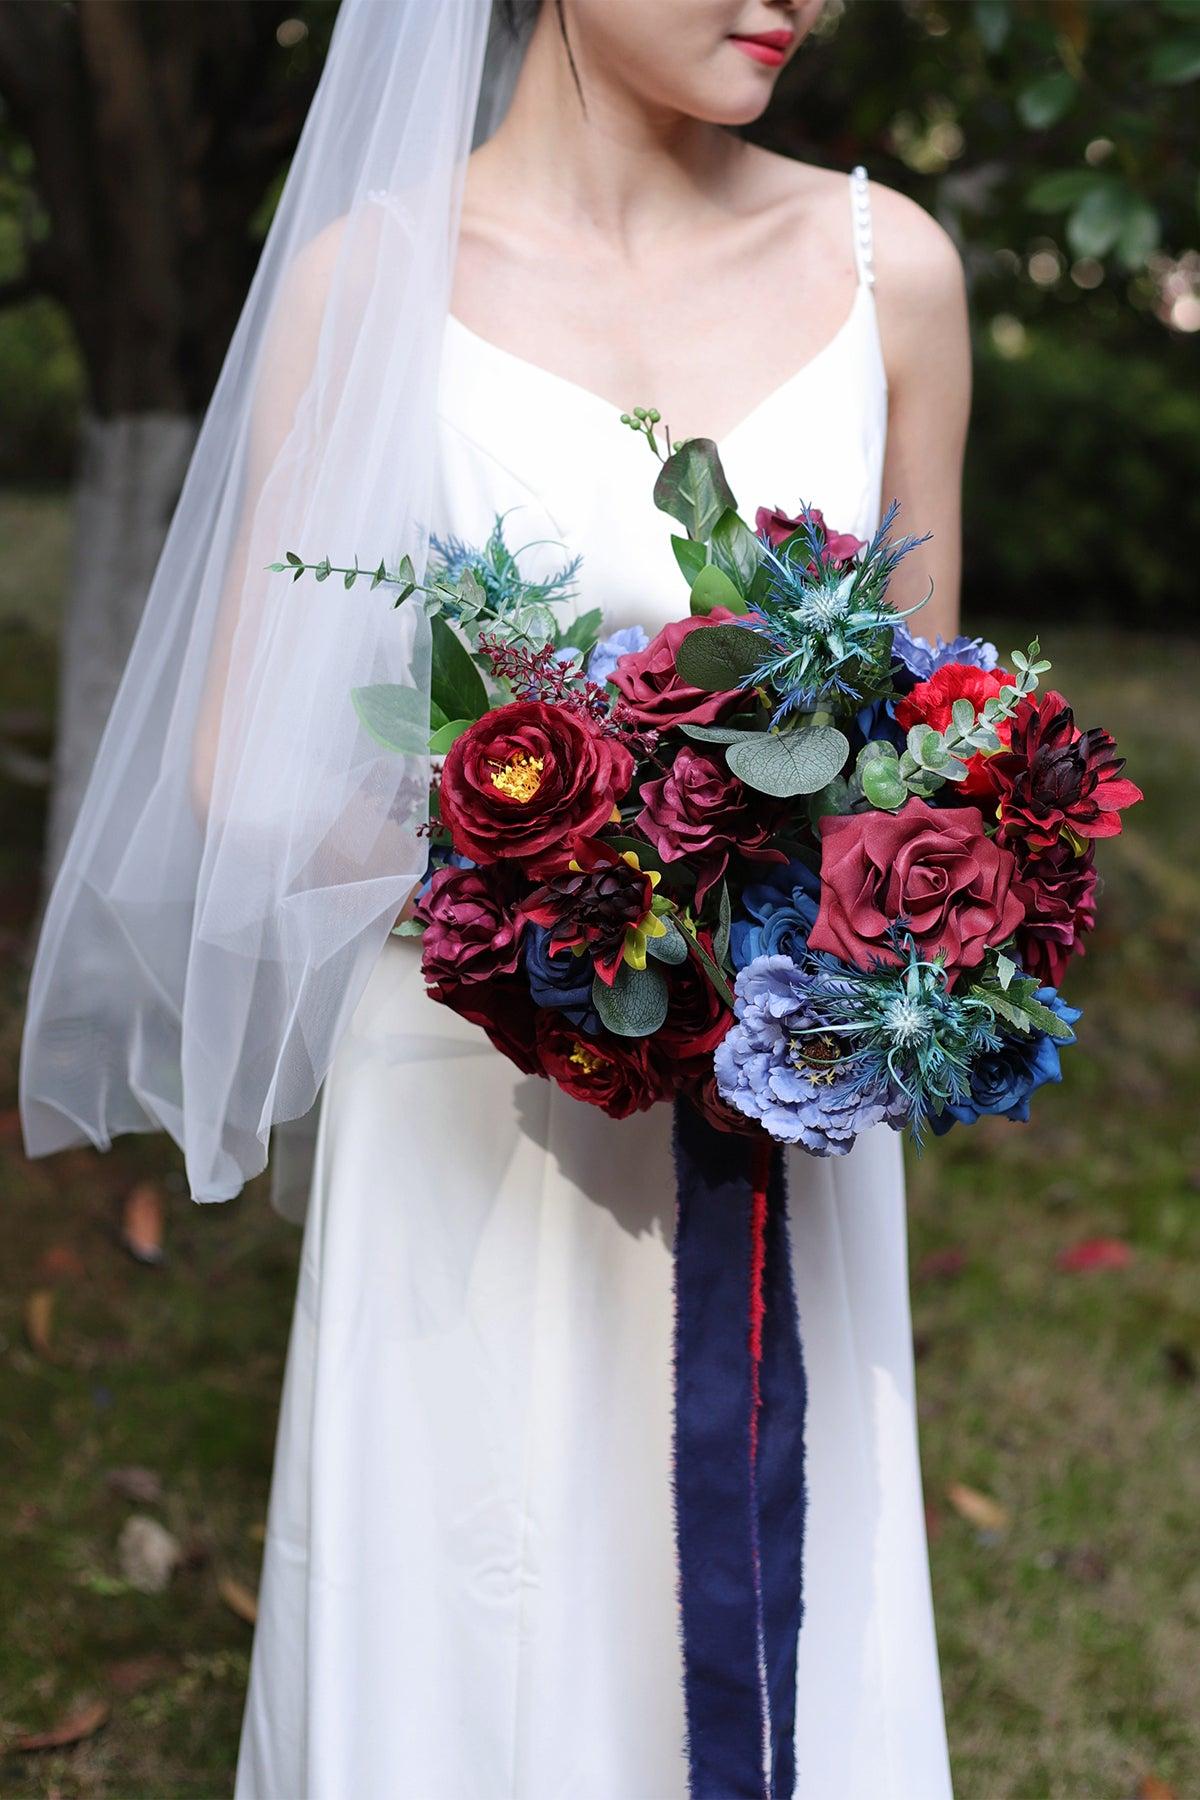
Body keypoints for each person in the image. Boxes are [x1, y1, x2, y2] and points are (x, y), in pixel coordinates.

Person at [21, 1, 967, 1794]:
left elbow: (932, 728)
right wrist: (575, 863)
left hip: (773, 1107)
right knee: (473, 1598)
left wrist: (922, 879)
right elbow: (247, 767)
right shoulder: (371, 282)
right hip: (478, 1075)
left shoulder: (889, 269)